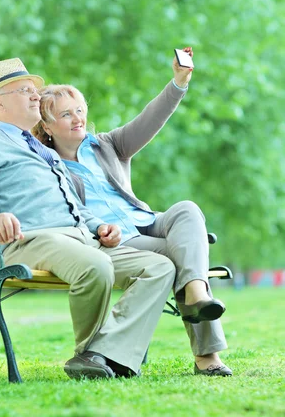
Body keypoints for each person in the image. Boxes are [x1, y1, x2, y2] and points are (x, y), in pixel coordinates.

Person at [0, 57, 177, 380]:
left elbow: (74, 207)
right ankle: (90, 354)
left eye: (35, 90)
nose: (35, 96)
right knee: (96, 266)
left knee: (159, 267)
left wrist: (99, 226)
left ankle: (102, 354)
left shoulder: (47, 152)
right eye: (24, 90)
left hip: (79, 239)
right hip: (32, 241)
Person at [33, 48, 232, 377]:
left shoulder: (107, 145)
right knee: (181, 257)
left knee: (187, 209)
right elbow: (65, 212)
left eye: (80, 110)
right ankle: (207, 358)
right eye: (67, 114)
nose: (78, 118)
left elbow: (150, 119)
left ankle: (196, 289)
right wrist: (98, 230)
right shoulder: (45, 164)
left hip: (147, 222)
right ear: (47, 125)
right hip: (117, 242)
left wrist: (179, 82)